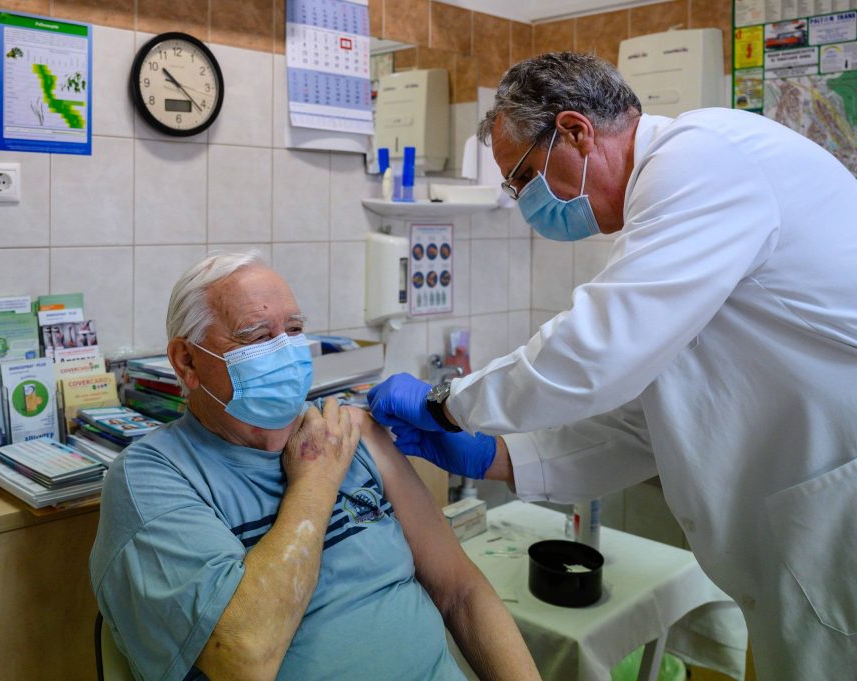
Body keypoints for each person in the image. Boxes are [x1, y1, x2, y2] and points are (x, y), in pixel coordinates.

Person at [367, 52, 857, 681]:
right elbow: (648, 419)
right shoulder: (669, 213)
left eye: (523, 178)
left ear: (575, 131)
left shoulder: (704, 159)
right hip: (799, 538)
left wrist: (446, 402)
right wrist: (497, 457)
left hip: (835, 516)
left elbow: (595, 354)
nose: (524, 202)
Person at [90, 252, 541, 681]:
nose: (285, 350)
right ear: (187, 361)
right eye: (257, 336)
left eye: (294, 329)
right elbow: (245, 655)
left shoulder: (350, 432)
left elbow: (461, 591)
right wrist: (315, 481)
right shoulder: (152, 477)